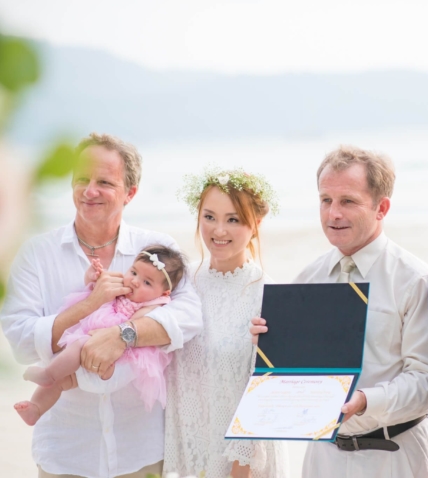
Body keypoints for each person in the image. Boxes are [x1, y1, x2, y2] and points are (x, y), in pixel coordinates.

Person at [0, 133, 202, 478]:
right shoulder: (36, 253)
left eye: (105, 182)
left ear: (130, 192)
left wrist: (124, 335)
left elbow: (189, 315)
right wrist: (89, 304)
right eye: (82, 180)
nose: (89, 191)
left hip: (141, 452)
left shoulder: (158, 250)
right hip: (66, 454)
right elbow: (19, 340)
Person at [252, 145, 428, 478]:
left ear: (381, 207)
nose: (332, 214)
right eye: (326, 200)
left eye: (347, 201)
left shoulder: (415, 279)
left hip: (396, 457)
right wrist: (268, 350)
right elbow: (294, 378)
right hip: (322, 459)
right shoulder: (307, 279)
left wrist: (367, 400)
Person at [164, 166, 289, 478]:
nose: (218, 230)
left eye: (233, 219)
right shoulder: (181, 282)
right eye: (209, 217)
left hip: (241, 466)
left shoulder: (267, 294)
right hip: (188, 458)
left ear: (255, 224)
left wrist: (239, 469)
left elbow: (263, 398)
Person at [15, 245, 187, 425]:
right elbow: (95, 289)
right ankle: (35, 409)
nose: (135, 281)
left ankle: (48, 373)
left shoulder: (156, 304)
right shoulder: (122, 285)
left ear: (164, 293)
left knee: (80, 343)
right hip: (88, 362)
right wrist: (93, 277)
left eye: (147, 282)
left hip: (115, 362)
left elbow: (135, 325)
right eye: (134, 272)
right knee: (64, 381)